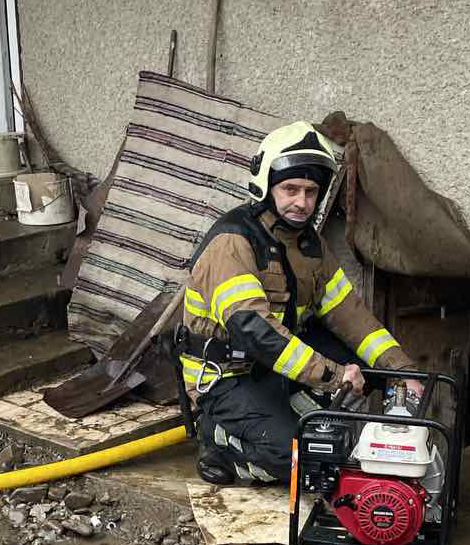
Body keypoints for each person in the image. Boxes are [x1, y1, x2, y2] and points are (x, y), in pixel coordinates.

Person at [178, 122, 421, 485]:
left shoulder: (309, 245)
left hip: (271, 369)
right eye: (290, 189)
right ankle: (219, 441)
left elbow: (351, 315)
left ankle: (295, 421)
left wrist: (401, 371)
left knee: (363, 373)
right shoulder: (233, 243)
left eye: (310, 191)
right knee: (301, 459)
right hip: (226, 379)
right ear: (266, 186)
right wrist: (333, 375)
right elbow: (255, 331)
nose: (302, 202)